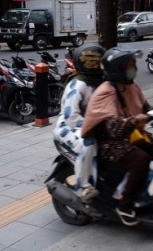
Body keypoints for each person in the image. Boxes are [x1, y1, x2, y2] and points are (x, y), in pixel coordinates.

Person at [81, 48, 153, 226]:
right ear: (117, 69)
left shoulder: (130, 85)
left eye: (133, 64)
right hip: (108, 142)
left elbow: (146, 107)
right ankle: (125, 204)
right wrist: (137, 120)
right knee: (141, 160)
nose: (133, 68)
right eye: (129, 65)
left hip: (128, 135)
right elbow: (114, 128)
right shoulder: (107, 91)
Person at [52, 44, 106, 201]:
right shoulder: (78, 85)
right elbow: (71, 117)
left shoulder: (100, 82)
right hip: (69, 129)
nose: (98, 64)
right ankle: (84, 186)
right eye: (94, 61)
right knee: (88, 144)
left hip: (93, 125)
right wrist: (95, 126)